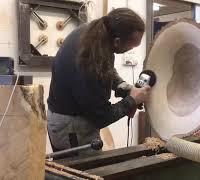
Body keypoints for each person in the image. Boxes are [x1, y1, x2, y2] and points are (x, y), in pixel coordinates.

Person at [47, 8, 150, 155]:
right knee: (83, 172)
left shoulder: (96, 35)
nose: (131, 49)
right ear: (117, 42)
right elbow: (101, 117)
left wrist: (124, 87)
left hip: (73, 118)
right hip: (71, 127)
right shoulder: (90, 58)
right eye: (131, 46)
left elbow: (107, 70)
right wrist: (131, 101)